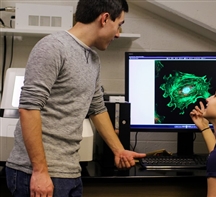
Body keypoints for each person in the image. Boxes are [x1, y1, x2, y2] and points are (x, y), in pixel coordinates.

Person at [5, 0, 146, 196]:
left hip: (69, 172)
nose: (118, 34)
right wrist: (40, 171)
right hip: (37, 173)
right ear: (105, 18)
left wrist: (119, 150)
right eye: (119, 24)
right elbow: (29, 108)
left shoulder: (93, 59)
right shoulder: (53, 47)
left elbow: (97, 108)